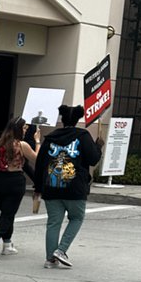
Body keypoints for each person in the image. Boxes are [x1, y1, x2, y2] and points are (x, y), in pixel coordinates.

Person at [33, 102, 101, 268]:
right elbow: (93, 159)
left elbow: (40, 164)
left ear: (62, 119)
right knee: (76, 218)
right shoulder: (83, 136)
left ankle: (50, 259)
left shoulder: (50, 138)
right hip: (75, 188)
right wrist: (98, 145)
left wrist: (38, 188)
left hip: (51, 187)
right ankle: (61, 250)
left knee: (53, 223)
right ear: (77, 119)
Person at [0, 116, 39, 260]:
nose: (25, 131)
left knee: (7, 212)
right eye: (24, 128)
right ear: (18, 129)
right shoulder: (21, 145)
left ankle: (7, 244)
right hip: (15, 182)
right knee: (7, 214)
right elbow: (37, 158)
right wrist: (37, 141)